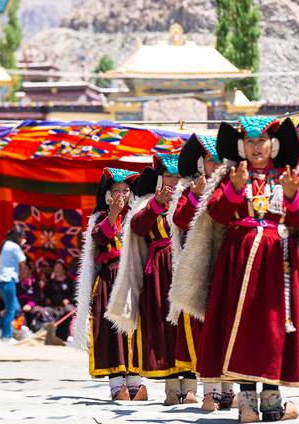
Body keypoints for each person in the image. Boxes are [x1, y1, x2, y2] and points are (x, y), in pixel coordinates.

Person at [169, 117, 299, 423]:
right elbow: (216, 214)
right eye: (249, 142)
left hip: (280, 263)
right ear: (241, 147)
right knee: (243, 327)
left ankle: (272, 399)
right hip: (238, 260)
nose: (256, 147)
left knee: (275, 328)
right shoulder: (229, 176)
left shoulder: (290, 176)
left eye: (261, 140)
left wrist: (291, 195)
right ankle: (247, 400)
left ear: (273, 145)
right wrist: (234, 189)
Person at [106, 153, 189, 404]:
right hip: (158, 274)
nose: (172, 182)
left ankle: (192, 385)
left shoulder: (190, 201)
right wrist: (157, 205)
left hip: (185, 270)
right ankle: (171, 389)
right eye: (168, 177)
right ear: (159, 179)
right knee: (164, 328)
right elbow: (138, 228)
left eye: (177, 177)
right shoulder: (146, 203)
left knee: (187, 327)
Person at [170, 134, 235, 411]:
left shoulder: (236, 186)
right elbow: (180, 220)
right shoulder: (188, 190)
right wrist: (196, 196)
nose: (216, 164)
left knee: (230, 327)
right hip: (200, 268)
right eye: (211, 160)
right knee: (206, 330)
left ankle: (230, 390)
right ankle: (210, 391)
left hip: (230, 264)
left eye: (220, 159)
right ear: (201, 164)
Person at [74, 168, 142, 401]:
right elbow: (100, 238)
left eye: (126, 190)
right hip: (108, 279)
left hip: (132, 276)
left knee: (134, 329)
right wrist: (113, 214)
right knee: (111, 331)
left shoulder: (137, 217)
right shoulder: (101, 218)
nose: (122, 195)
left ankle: (135, 383)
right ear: (107, 195)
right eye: (116, 191)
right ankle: (116, 384)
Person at [0, 225, 27, 342]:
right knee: (11, 309)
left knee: (15, 307)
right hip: (8, 280)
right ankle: (7, 336)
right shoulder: (14, 246)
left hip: (0, 281)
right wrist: (21, 246)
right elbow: (23, 261)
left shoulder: (5, 244)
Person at [43, 259, 75, 340]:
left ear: (64, 270)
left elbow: (75, 295)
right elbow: (45, 294)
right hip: (53, 307)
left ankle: (67, 335)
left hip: (66, 307)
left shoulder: (70, 282)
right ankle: (49, 334)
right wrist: (47, 299)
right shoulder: (50, 282)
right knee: (45, 311)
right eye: (55, 268)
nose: (57, 270)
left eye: (59, 268)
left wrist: (68, 300)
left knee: (69, 310)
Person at [17, 258, 45, 332]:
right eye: (21, 269)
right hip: (19, 306)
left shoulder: (35, 283)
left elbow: (38, 296)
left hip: (31, 307)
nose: (22, 271)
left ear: (30, 271)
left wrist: (30, 304)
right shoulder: (17, 284)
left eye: (25, 269)